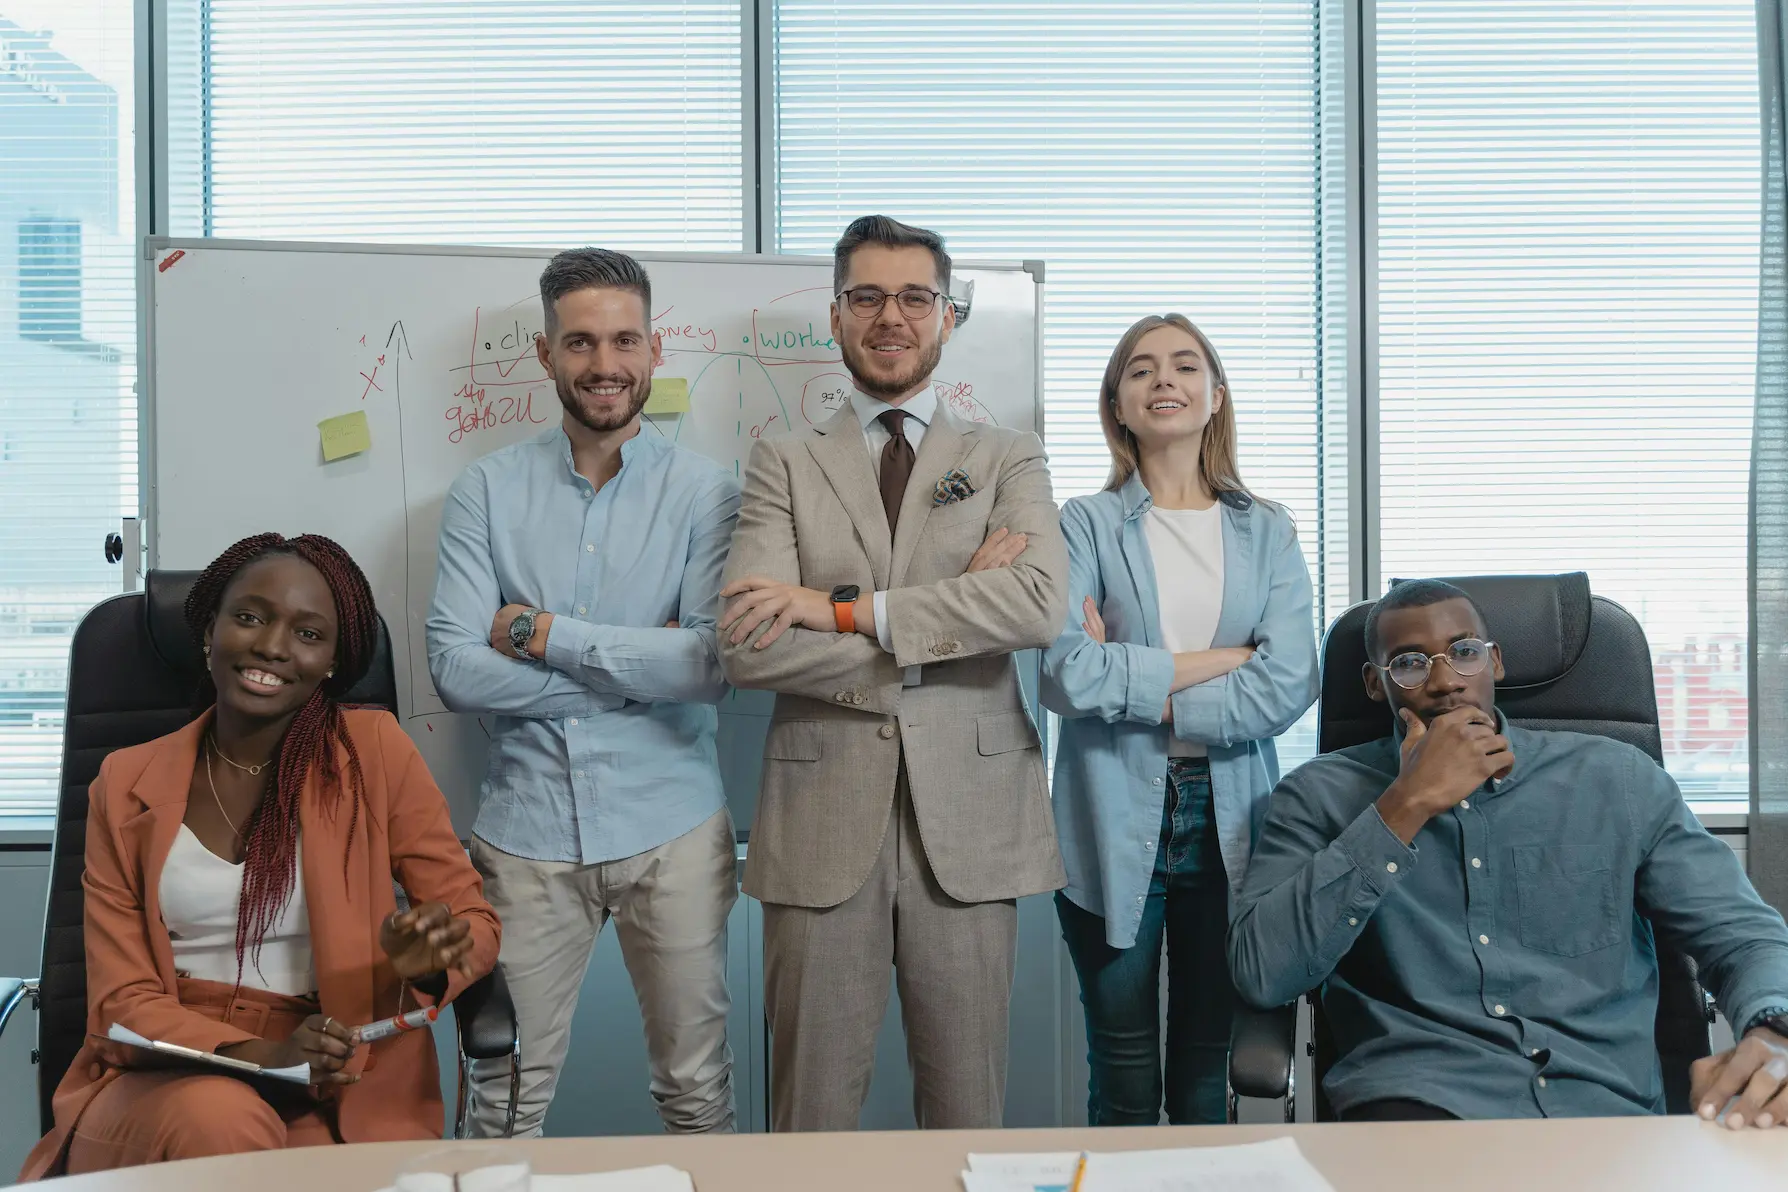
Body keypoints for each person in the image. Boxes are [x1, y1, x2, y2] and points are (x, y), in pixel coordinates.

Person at [717, 215, 1067, 1131]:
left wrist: (839, 610)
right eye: (867, 296)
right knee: (811, 1120)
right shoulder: (782, 463)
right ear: (836, 316)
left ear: (947, 318)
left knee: (965, 1117)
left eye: (916, 297)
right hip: (821, 819)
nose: (891, 317)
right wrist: (957, 609)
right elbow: (751, 643)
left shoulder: (1008, 456)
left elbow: (1033, 606)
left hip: (972, 820)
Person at [20, 533, 499, 1179]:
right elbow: (121, 999)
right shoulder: (124, 782)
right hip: (170, 1072)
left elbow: (474, 920)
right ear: (209, 630)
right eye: (249, 617)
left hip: (339, 1071)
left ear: (333, 660)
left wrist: (432, 960)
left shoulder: (374, 752)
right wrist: (262, 1053)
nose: (273, 645)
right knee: (222, 1118)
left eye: (308, 633)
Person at [1228, 578, 1788, 1125]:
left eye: (1463, 652)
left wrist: (1771, 1030)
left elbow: (1741, 935)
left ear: (1495, 662)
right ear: (1376, 684)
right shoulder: (1315, 796)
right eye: (1411, 663)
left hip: (1606, 1110)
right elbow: (1262, 973)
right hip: (1420, 1110)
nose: (1445, 681)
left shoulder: (1617, 780)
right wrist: (1405, 805)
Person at [427, 247, 741, 1137]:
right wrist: (628, 682)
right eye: (581, 343)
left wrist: (544, 635)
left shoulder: (706, 493)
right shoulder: (484, 491)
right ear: (545, 353)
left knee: (697, 1093)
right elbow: (454, 668)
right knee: (501, 1098)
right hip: (526, 836)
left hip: (671, 830)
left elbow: (708, 667)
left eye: (624, 341)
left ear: (653, 351)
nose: (605, 365)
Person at [1040, 314, 1317, 1125]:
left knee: (1205, 1072)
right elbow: (1064, 673)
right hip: (1107, 815)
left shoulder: (1268, 530)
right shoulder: (1083, 524)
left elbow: (1291, 679)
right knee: (1122, 1078)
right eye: (1142, 370)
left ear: (1215, 396)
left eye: (1185, 366)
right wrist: (1230, 658)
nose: (1165, 380)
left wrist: (1137, 681)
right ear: (1118, 405)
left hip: (1231, 818)